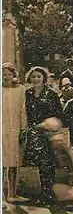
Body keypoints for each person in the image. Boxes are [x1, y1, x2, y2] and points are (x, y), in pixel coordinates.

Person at [24, 66, 63, 207]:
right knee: (40, 164)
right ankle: (45, 194)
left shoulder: (51, 94)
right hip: (34, 134)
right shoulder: (27, 93)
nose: (36, 79)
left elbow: (59, 113)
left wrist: (46, 124)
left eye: (39, 76)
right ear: (30, 78)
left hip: (47, 132)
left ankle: (48, 195)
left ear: (44, 78)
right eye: (33, 76)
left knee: (48, 164)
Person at [2, 63, 29, 203]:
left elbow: (23, 110)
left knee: (13, 162)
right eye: (3, 74)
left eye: (9, 74)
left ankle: (12, 194)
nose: (6, 77)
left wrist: (23, 129)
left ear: (14, 75)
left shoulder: (20, 89)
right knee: (2, 163)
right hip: (2, 130)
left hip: (14, 130)